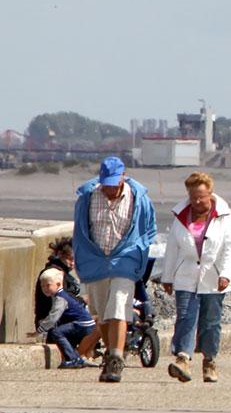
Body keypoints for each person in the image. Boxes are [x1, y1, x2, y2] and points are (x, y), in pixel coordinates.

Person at [72, 156, 155, 383]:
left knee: (119, 307)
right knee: (102, 313)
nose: (109, 189)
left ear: (123, 177)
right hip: (96, 260)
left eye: (113, 183)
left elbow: (150, 229)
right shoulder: (88, 197)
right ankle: (110, 354)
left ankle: (116, 359)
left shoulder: (139, 198)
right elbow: (80, 229)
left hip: (124, 260)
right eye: (105, 184)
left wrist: (138, 249)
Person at [160, 172, 231, 383]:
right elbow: (172, 248)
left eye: (201, 197)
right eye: (193, 196)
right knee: (185, 317)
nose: (197, 201)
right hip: (186, 275)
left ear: (210, 194)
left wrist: (226, 274)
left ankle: (209, 361)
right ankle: (183, 359)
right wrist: (167, 276)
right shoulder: (181, 215)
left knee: (210, 323)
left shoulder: (224, 215)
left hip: (213, 277)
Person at [36, 269, 97, 369]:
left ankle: (72, 359)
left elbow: (53, 317)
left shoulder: (60, 298)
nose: (45, 289)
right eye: (42, 286)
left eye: (48, 285)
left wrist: (40, 330)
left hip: (83, 324)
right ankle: (77, 358)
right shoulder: (58, 296)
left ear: (59, 284)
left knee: (57, 332)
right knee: (63, 333)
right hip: (85, 323)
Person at [35, 237, 82, 330]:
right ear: (60, 255)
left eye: (75, 260)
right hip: (54, 324)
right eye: (70, 259)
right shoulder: (54, 274)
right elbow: (61, 301)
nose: (72, 264)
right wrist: (82, 300)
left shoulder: (63, 273)